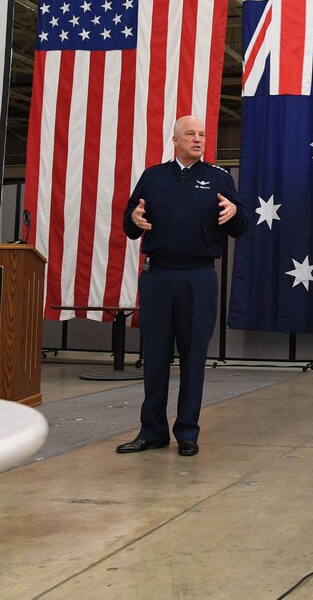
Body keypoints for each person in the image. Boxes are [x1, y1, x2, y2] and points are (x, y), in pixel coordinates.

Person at [116, 116, 249, 457]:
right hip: (158, 276)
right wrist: (133, 217)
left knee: (193, 357)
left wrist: (234, 212)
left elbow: (240, 226)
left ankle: (187, 432)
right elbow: (131, 222)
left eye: (202, 134)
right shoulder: (154, 176)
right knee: (156, 355)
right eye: (190, 133)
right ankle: (152, 432)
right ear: (174, 139)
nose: (198, 138)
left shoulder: (218, 177)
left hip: (199, 277)